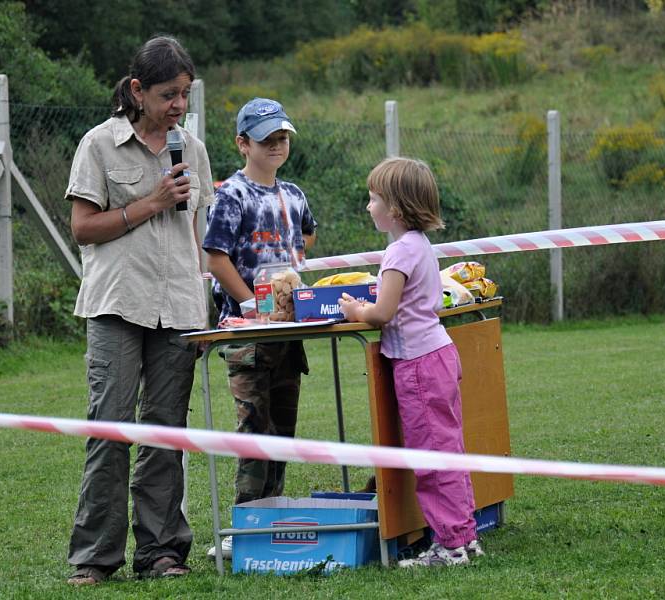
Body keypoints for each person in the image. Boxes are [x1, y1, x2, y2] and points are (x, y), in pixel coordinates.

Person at [64, 36, 214, 585]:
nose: (179, 105)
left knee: (166, 434)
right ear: (137, 90)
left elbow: (199, 231)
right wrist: (149, 203)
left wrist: (212, 298)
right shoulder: (99, 145)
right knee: (110, 429)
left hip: (179, 306)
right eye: (169, 94)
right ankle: (95, 559)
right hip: (118, 306)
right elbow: (83, 228)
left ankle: (161, 553)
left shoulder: (192, 150)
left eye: (185, 94)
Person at [338, 157, 483, 567]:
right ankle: (463, 535)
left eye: (373, 199)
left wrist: (355, 311)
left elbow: (382, 314)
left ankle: (451, 545)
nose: (368, 207)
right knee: (448, 449)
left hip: (418, 365)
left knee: (431, 455)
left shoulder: (399, 253)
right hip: (438, 355)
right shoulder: (420, 247)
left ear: (395, 210)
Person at [202, 98, 317, 559]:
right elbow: (215, 257)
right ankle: (243, 529)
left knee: (282, 428)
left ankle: (272, 521)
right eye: (266, 137)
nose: (276, 144)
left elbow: (306, 234)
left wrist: (289, 269)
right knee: (253, 427)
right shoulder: (233, 193)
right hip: (247, 333)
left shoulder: (293, 194)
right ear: (242, 143)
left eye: (282, 136)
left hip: (288, 331)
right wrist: (251, 302)